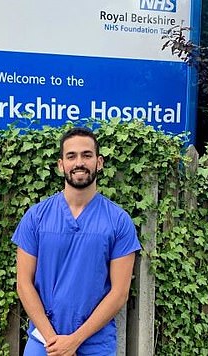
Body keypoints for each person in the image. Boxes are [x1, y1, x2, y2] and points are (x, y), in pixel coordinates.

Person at [12, 127, 141, 356]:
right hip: (44, 341)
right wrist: (55, 341)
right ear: (61, 164)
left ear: (99, 162)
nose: (79, 162)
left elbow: (119, 293)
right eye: (71, 156)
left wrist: (74, 340)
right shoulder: (36, 217)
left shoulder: (119, 221)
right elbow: (23, 284)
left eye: (87, 155)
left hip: (95, 344)